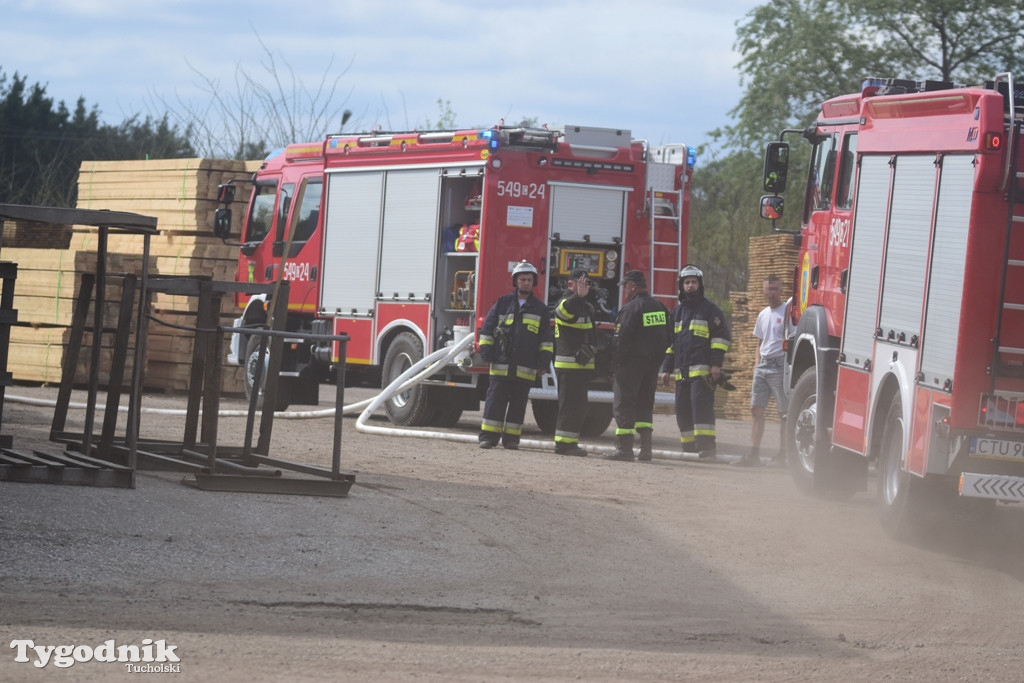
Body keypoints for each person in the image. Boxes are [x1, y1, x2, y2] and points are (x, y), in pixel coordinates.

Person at [477, 260, 554, 450]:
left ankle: (511, 440)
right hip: (501, 364)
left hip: (525, 368)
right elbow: (487, 329)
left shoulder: (540, 309)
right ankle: (488, 438)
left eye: (529, 279)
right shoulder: (502, 303)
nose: (525, 283)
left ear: (533, 282)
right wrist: (486, 353)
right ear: (516, 281)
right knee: (495, 402)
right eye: (522, 279)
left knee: (518, 406)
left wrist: (543, 362)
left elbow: (546, 339)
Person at [660, 264, 731, 460]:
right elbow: (671, 344)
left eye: (694, 282)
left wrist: (716, 365)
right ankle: (689, 448)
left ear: (700, 285)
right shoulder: (676, 313)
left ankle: (707, 448)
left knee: (701, 411)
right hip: (682, 374)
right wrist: (666, 369)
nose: (690, 286)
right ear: (681, 286)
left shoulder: (711, 311)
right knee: (682, 411)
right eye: (687, 282)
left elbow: (721, 339)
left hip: (703, 373)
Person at [606, 269, 671, 462]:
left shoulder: (631, 308)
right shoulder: (660, 307)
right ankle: (646, 449)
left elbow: (621, 339)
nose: (625, 291)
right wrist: (656, 362)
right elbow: (667, 337)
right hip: (651, 367)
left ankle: (624, 449)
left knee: (624, 405)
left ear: (633, 286)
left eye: (626, 287)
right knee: (645, 405)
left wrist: (615, 364)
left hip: (629, 366)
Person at [741, 274, 790, 467]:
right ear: (763, 291)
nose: (771, 293)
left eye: (775, 289)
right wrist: (756, 364)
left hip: (780, 365)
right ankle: (754, 453)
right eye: (768, 289)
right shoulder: (762, 314)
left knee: (783, 412)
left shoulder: (788, 311)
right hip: (763, 366)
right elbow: (759, 343)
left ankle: (783, 454)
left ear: (781, 290)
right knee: (756, 409)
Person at [552, 269, 595, 457]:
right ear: (570, 285)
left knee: (579, 407)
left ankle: (570, 442)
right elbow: (565, 312)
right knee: (569, 407)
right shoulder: (565, 303)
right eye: (580, 283)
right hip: (569, 367)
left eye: (587, 284)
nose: (584, 287)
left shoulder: (587, 306)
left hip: (582, 367)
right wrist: (577, 297)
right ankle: (562, 444)